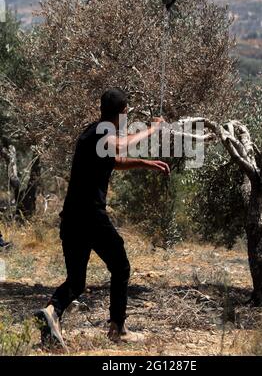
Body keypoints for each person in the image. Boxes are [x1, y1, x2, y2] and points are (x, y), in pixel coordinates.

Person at [35, 88, 170, 348]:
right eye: (127, 113)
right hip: (90, 216)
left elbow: (114, 159)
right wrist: (153, 130)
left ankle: (52, 312)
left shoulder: (91, 133)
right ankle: (117, 329)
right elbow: (118, 146)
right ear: (123, 112)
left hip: (72, 218)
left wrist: (146, 163)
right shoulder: (102, 132)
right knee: (121, 267)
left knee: (76, 282)